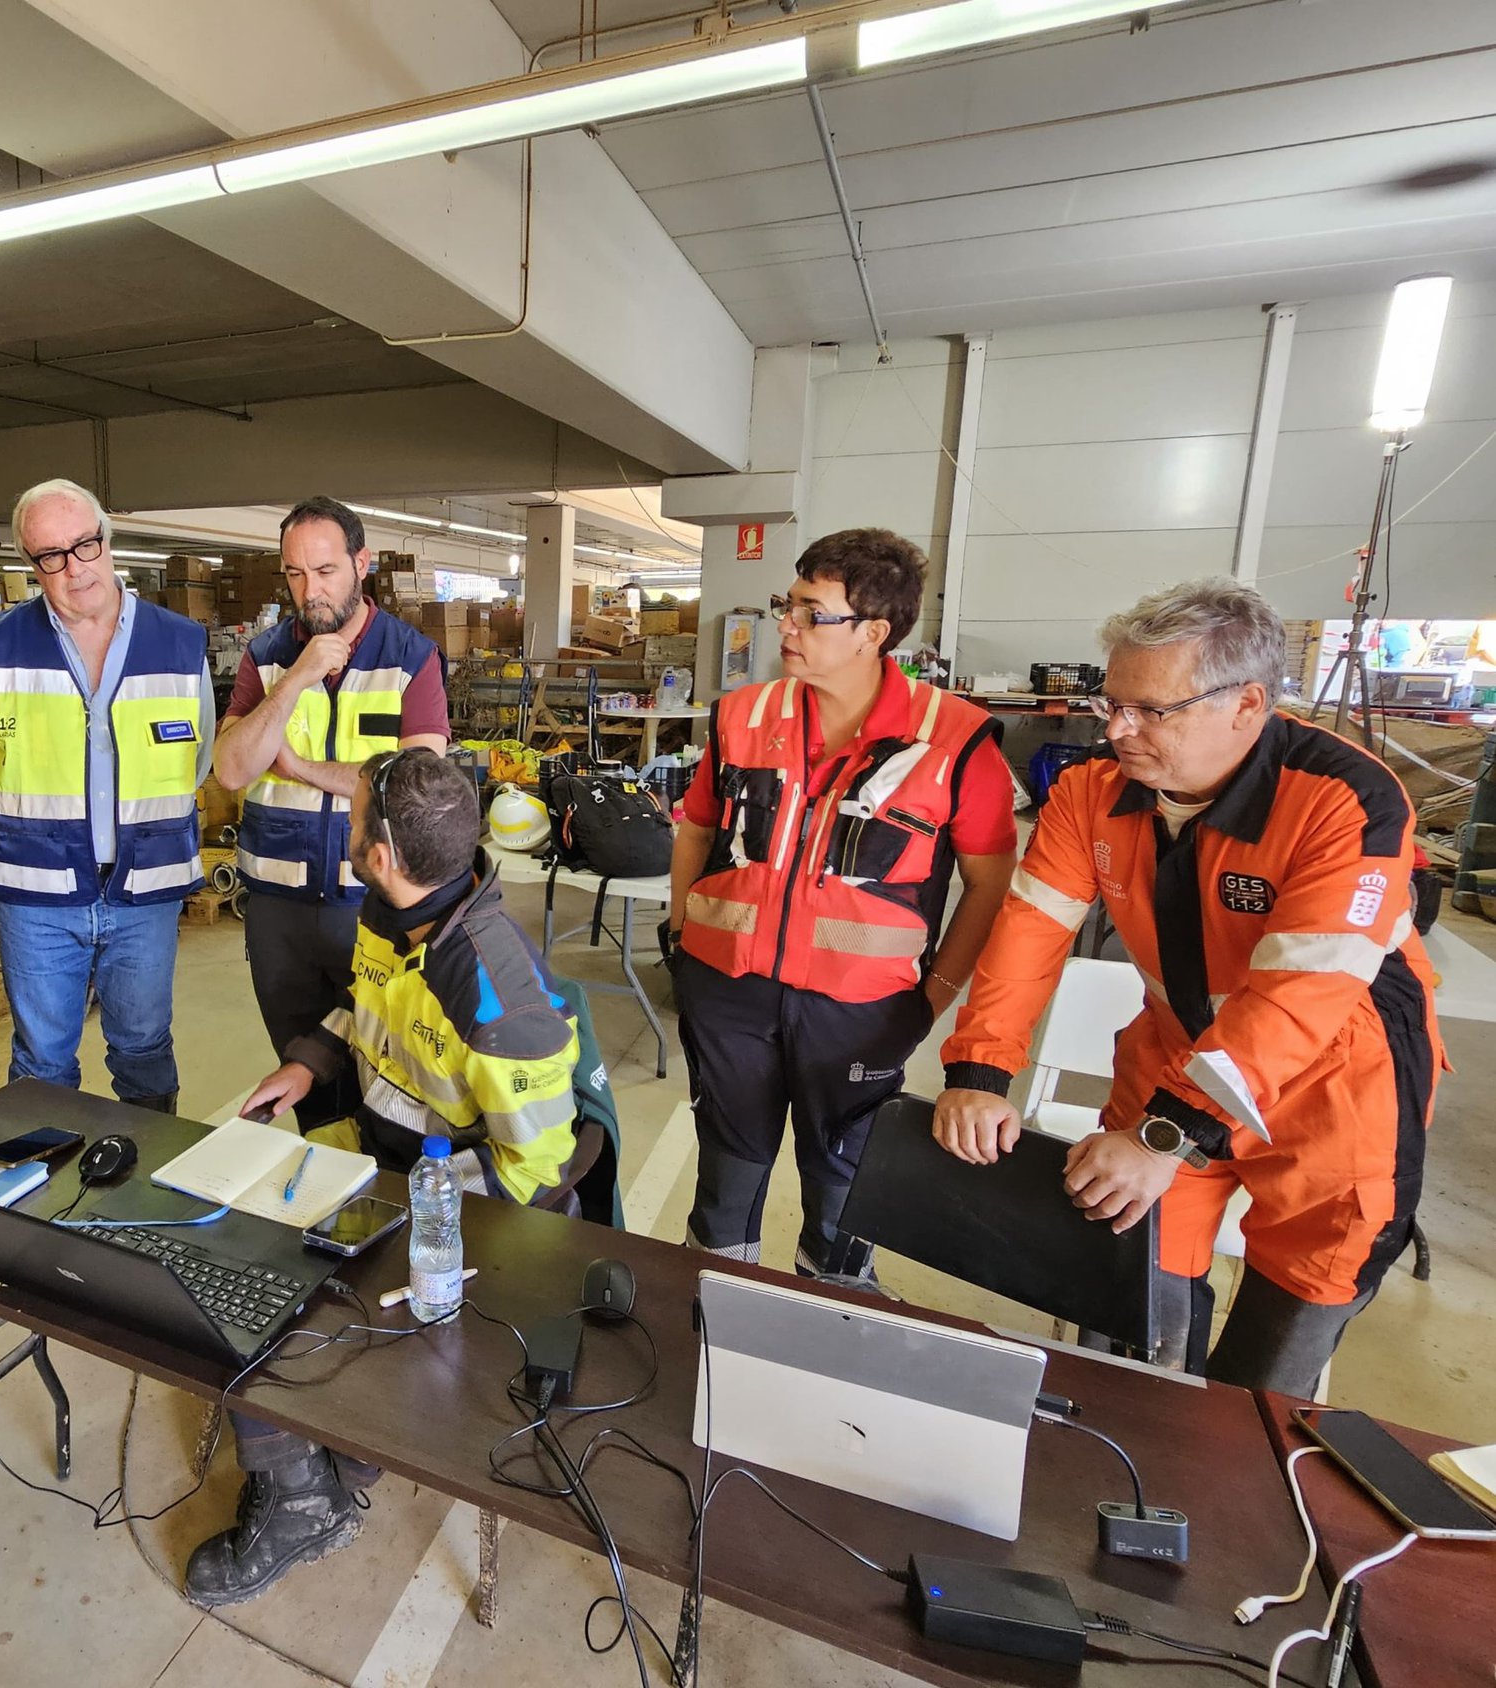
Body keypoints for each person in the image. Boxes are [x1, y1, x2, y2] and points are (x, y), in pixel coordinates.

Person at [932, 580, 1443, 1395]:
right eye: (1112, 703)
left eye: (1149, 711)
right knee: (1127, 1311)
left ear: (1246, 703)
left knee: (1270, 1368)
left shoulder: (1345, 802)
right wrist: (979, 1070)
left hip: (1334, 1090)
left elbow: (1295, 1000)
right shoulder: (1091, 793)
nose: (1117, 730)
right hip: (1173, 1061)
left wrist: (1160, 1139)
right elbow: (1028, 933)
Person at [186, 749, 583, 1606]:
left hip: (450, 1219)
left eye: (353, 813)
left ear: (379, 854)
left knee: (258, 1296)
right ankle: (330, 1457)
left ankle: (304, 1500)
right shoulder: (392, 910)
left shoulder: (494, 995)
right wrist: (309, 1062)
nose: (345, 819)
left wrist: (416, 1212)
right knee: (222, 1253)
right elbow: (364, 1005)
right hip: (374, 1169)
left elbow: (542, 1165)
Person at [666, 529, 1016, 1273]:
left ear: (874, 633)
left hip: (862, 1013)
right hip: (729, 994)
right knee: (728, 1171)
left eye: (811, 613)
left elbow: (989, 885)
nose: (786, 625)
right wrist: (682, 926)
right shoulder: (742, 716)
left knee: (842, 1182)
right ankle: (708, 1313)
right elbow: (697, 825)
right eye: (786, 606)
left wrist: (934, 997)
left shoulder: (954, 740)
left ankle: (834, 1317)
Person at [0, 479, 215, 1109]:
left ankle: (146, 1186)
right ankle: (38, 1202)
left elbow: (196, 761)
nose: (74, 568)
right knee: (41, 1059)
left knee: (145, 1047)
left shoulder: (180, 642)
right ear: (30, 565)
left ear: (107, 540)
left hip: (144, 890)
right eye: (51, 555)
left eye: (85, 545)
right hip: (36, 893)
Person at [213, 496, 448, 1127]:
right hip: (278, 914)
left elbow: (415, 789)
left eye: (325, 571)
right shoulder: (265, 657)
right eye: (294, 574)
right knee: (305, 1080)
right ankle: (329, 1201)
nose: (309, 590)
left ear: (361, 564)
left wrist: (299, 768)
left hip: (372, 910)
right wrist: (294, 679)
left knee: (388, 1077)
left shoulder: (411, 657)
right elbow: (232, 768)